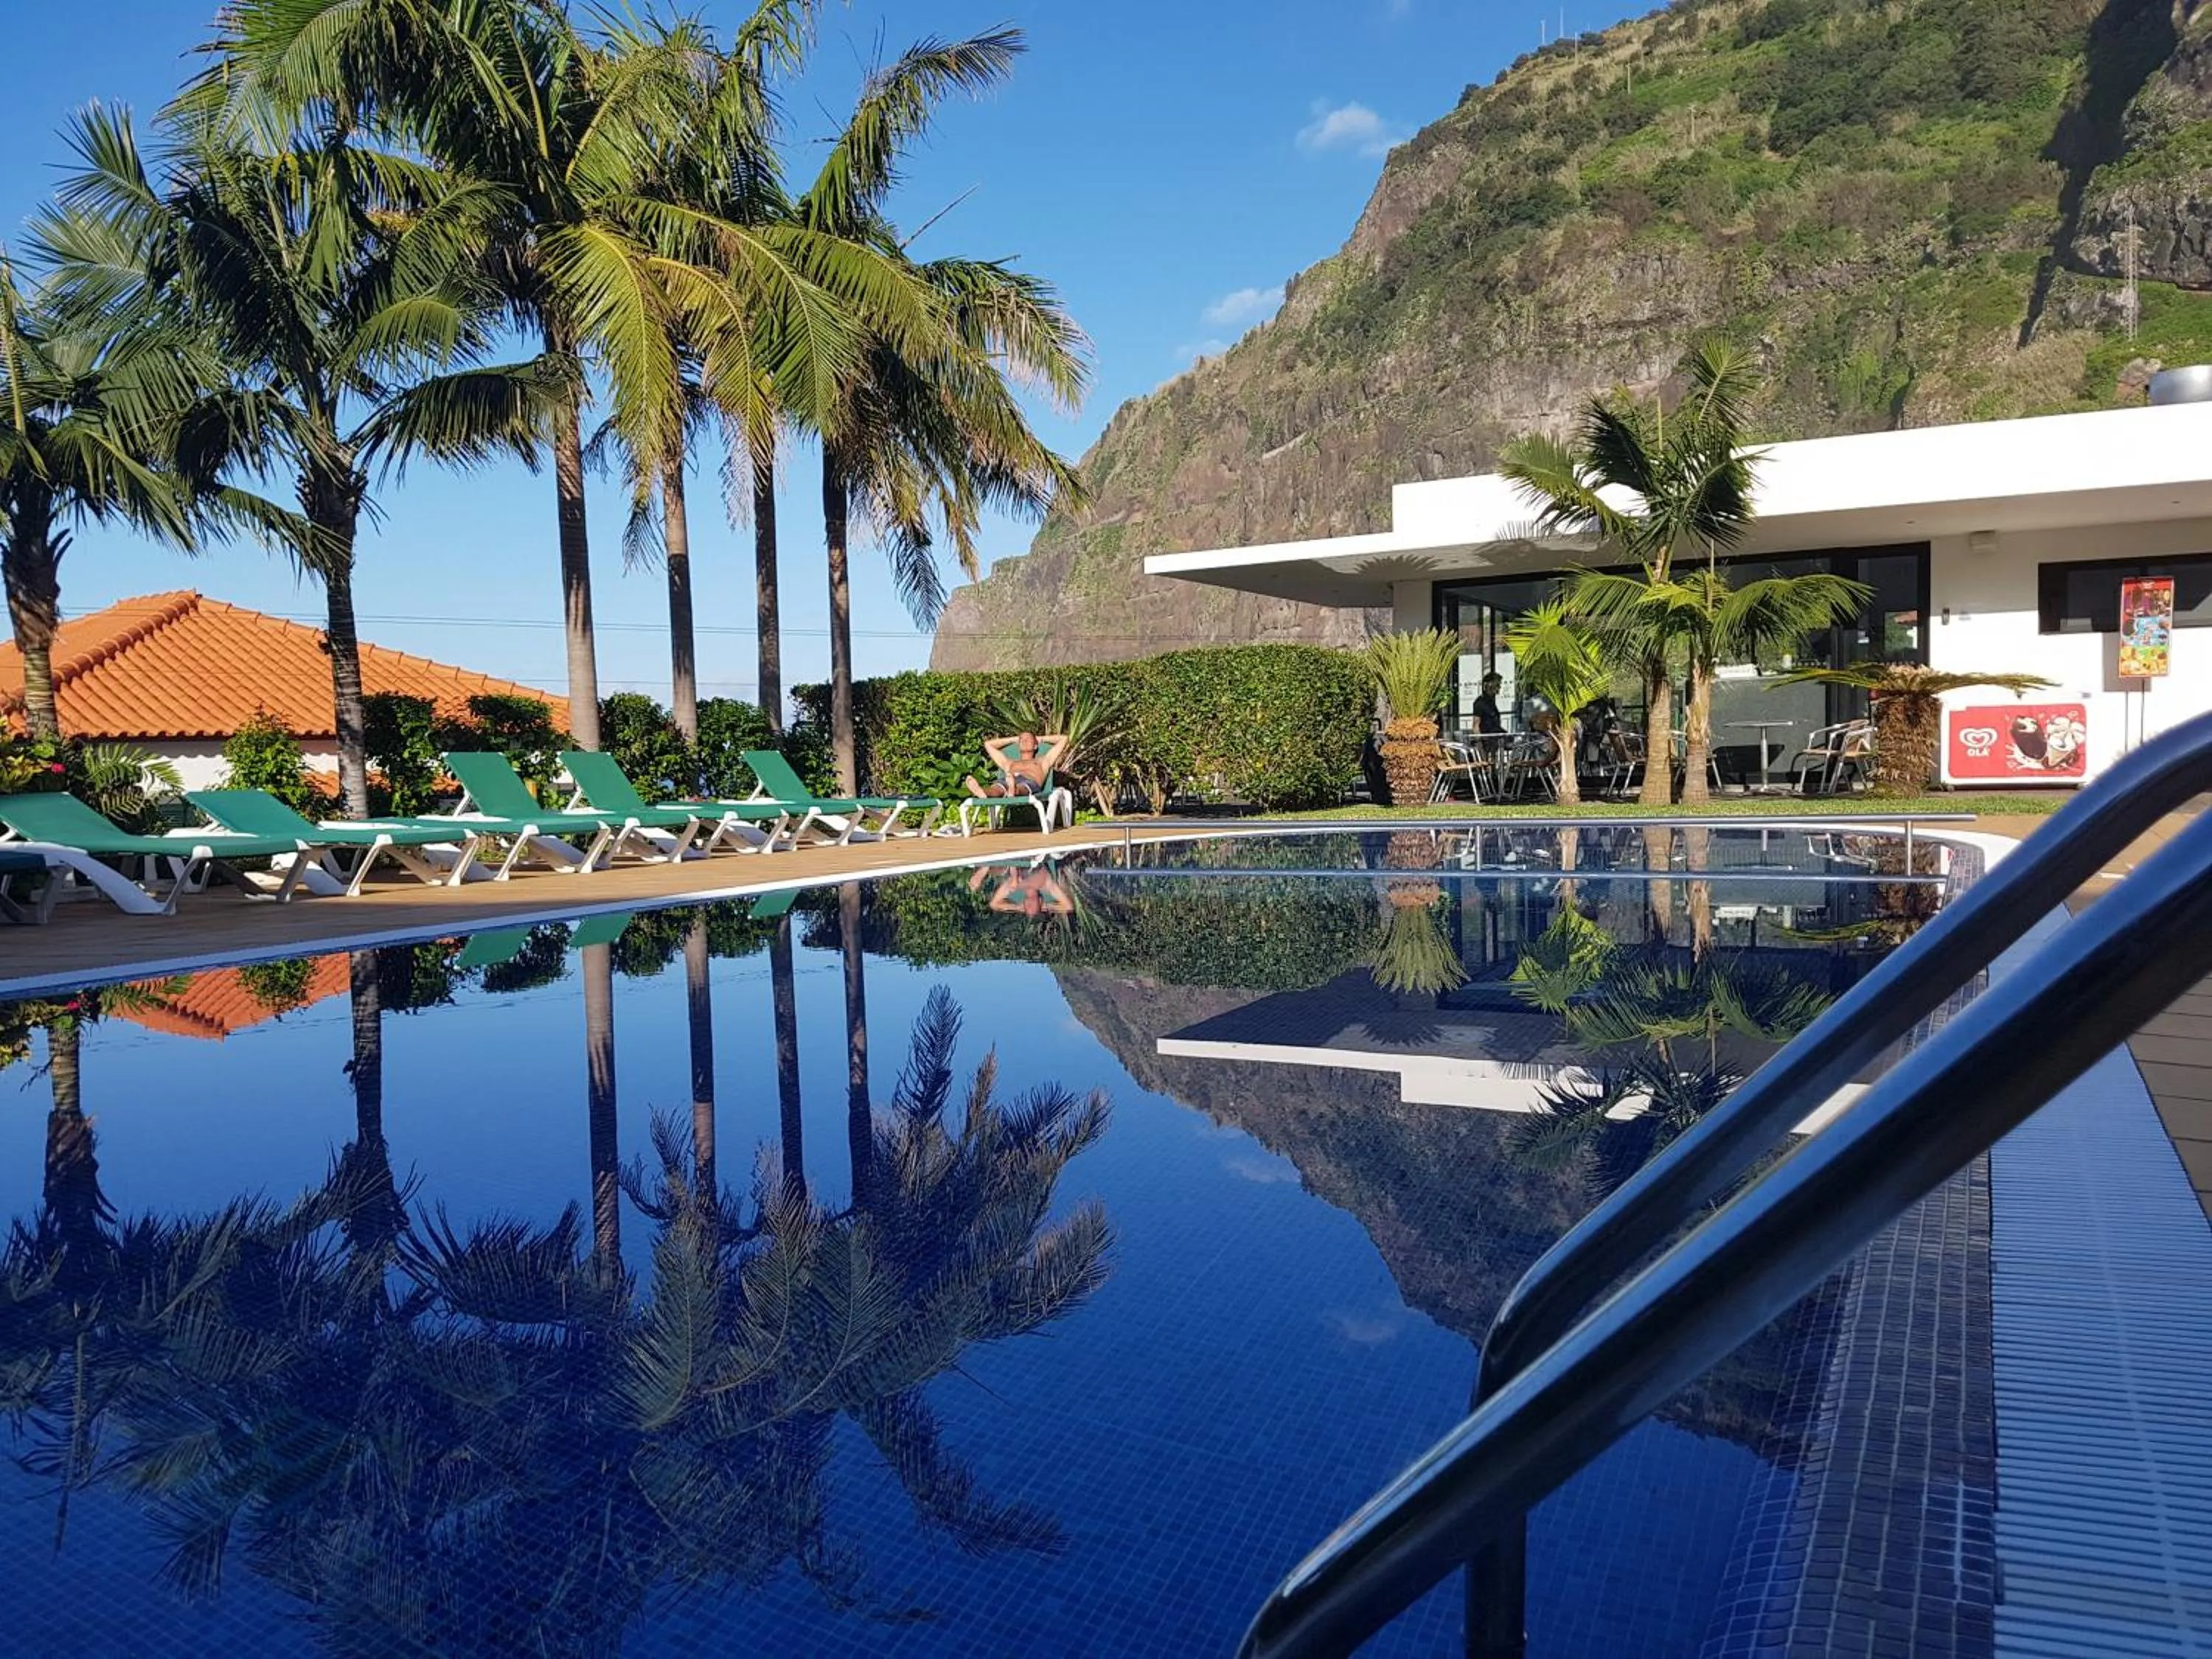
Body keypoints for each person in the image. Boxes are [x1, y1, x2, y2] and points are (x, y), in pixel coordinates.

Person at [966, 731, 1070, 799]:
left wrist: (1040, 739)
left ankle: (1014, 790)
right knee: (997, 788)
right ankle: (983, 792)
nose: (1024, 741)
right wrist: (1013, 740)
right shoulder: (1010, 763)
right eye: (1021, 740)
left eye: (1028, 739)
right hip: (1008, 779)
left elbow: (1064, 739)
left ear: (1035, 745)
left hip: (1030, 781)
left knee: (1021, 787)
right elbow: (988, 744)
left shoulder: (1042, 761)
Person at [1470, 672, 1506, 737]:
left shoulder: (1491, 702)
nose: (1499, 687)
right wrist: (1479, 742)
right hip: (1487, 740)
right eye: (1497, 685)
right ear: (1490, 685)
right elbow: (1476, 726)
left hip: (1495, 738)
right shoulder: (1480, 702)